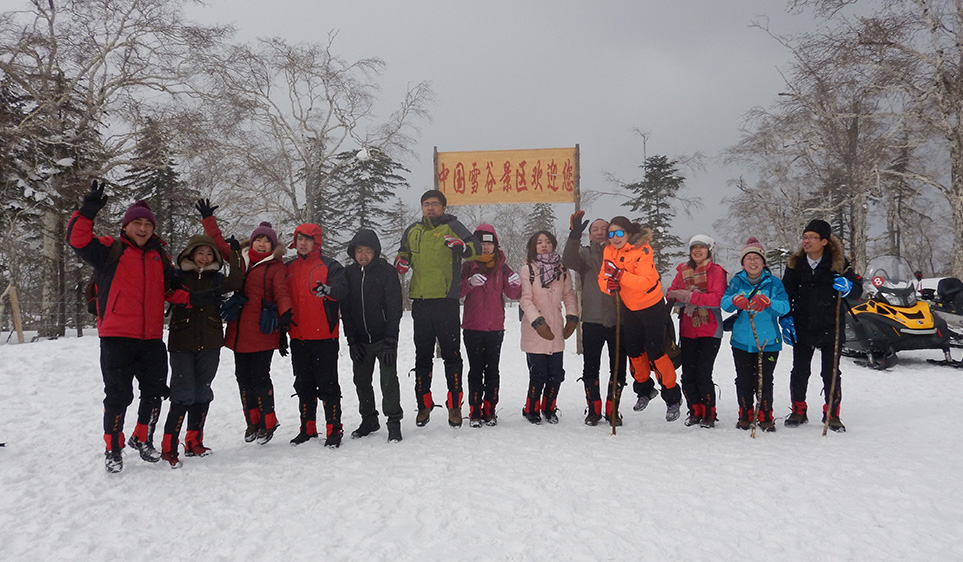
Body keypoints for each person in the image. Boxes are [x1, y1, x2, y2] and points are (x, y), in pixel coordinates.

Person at [66, 182, 205, 473]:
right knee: (118, 395)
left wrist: (195, 299)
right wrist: (87, 212)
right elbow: (77, 240)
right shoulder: (110, 249)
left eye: (147, 224)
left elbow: (170, 290)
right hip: (116, 336)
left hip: (151, 337)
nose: (143, 229)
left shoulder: (159, 256)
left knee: (155, 391)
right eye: (137, 223)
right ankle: (113, 448)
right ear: (126, 226)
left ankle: (142, 437)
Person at [197, 199, 293, 445]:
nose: (261, 243)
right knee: (242, 377)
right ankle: (252, 421)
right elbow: (219, 245)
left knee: (260, 377)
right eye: (258, 239)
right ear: (251, 241)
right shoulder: (241, 259)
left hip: (263, 329)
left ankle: (268, 421)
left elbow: (282, 293)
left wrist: (285, 313)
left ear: (272, 245)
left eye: (266, 241)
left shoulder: (276, 267)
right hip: (239, 329)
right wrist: (208, 220)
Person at [395, 189, 481, 428]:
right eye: (426, 204)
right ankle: (424, 405)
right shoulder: (413, 230)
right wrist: (401, 261)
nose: (430, 208)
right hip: (421, 302)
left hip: (446, 301)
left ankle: (454, 406)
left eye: (434, 204)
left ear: (443, 207)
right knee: (422, 356)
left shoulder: (453, 226)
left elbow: (475, 248)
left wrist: (462, 247)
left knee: (452, 356)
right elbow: (403, 253)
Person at [160, 234, 242, 468]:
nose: (204, 258)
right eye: (200, 253)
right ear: (190, 254)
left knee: (202, 391)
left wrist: (235, 254)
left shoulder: (217, 279)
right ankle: (168, 446)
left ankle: (194, 441)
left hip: (210, 341)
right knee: (182, 392)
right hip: (182, 342)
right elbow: (165, 289)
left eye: (209, 254)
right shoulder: (178, 277)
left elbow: (236, 282)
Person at [598, 216, 683, 423]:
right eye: (611, 234)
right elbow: (603, 276)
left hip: (652, 306)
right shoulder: (609, 251)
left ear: (628, 233)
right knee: (634, 351)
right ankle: (644, 390)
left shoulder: (643, 250)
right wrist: (609, 286)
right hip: (630, 307)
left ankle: (672, 396)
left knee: (656, 352)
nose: (615, 238)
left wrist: (620, 276)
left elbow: (647, 281)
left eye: (619, 233)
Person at [780, 219, 862, 432]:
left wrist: (849, 287)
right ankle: (798, 410)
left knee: (831, 372)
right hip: (802, 324)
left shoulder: (839, 263)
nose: (806, 241)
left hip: (831, 325)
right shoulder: (795, 263)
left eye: (812, 237)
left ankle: (832, 414)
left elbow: (857, 289)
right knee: (800, 370)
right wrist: (785, 317)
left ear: (824, 241)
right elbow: (785, 293)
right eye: (804, 237)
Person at [284, 223, 349, 448]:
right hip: (298, 337)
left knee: (328, 385)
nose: (303, 243)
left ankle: (334, 428)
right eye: (299, 239)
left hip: (324, 337)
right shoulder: (288, 267)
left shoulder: (331, 265)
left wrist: (329, 291)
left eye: (308, 239)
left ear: (316, 242)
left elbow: (342, 289)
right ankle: (307, 428)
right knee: (303, 384)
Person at [562, 211, 627, 426]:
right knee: (591, 366)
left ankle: (613, 409)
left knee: (618, 367)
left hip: (619, 319)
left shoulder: (621, 254)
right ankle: (593, 409)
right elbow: (568, 260)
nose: (599, 232)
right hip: (592, 319)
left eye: (604, 229)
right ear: (590, 235)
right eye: (595, 229)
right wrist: (574, 235)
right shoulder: (585, 255)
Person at [721, 237, 790, 431]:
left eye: (756, 258)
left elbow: (785, 307)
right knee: (743, 380)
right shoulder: (737, 281)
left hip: (768, 342)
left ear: (763, 262)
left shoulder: (774, 283)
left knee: (764, 380)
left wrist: (769, 303)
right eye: (748, 258)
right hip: (741, 341)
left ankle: (765, 415)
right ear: (743, 263)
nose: (753, 262)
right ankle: (745, 413)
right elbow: (725, 303)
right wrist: (735, 300)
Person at [342, 229, 405, 442]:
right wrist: (352, 341)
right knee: (361, 381)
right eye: (359, 250)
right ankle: (369, 419)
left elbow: (394, 308)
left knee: (388, 382)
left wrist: (391, 340)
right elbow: (346, 311)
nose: (363, 255)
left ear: (375, 252)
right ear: (353, 252)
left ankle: (394, 422)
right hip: (360, 340)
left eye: (368, 251)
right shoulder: (348, 274)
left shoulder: (386, 272)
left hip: (383, 339)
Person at [460, 224, 522, 427]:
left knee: (492, 370)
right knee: (475, 370)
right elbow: (457, 292)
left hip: (495, 327)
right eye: (481, 244)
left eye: (489, 243)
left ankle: (490, 410)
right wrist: (469, 283)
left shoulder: (502, 267)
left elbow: (513, 294)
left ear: (495, 245)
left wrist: (516, 284)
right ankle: (474, 411)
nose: (486, 247)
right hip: (472, 326)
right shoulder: (468, 266)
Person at [665, 235, 727, 428]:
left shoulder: (716, 271)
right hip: (688, 329)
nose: (698, 251)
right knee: (688, 375)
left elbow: (716, 299)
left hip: (710, 330)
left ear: (709, 250)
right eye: (694, 248)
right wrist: (684, 296)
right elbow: (671, 293)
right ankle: (694, 411)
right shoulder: (682, 271)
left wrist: (690, 296)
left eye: (702, 247)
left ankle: (709, 413)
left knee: (703, 374)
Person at [519, 230, 579, 424]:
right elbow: (525, 299)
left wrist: (572, 317)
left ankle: (549, 408)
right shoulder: (528, 269)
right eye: (539, 242)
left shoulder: (562, 270)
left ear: (553, 244)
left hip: (555, 329)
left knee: (556, 374)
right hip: (535, 330)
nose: (543, 245)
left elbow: (568, 294)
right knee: (538, 374)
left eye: (547, 242)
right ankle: (531, 409)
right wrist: (538, 322)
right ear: (533, 247)